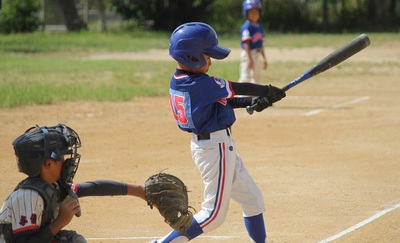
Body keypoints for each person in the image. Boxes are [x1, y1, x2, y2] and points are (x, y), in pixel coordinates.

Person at [153, 22, 286, 243]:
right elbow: (237, 87)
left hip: (214, 146)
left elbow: (225, 100)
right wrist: (267, 91)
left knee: (252, 199)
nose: (211, 60)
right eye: (207, 55)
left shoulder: (182, 80)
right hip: (216, 149)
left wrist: (255, 101)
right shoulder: (201, 84)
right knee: (213, 216)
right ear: (191, 57)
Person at [0, 124, 145, 243]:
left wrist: (139, 191)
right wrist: (61, 220)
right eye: (62, 157)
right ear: (48, 164)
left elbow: (93, 188)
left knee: (72, 240)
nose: (67, 162)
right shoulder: (28, 196)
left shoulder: (53, 185)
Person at [239, 0, 267, 84]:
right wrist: (250, 59)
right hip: (248, 54)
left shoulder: (259, 27)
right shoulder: (247, 27)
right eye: (251, 11)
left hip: (256, 54)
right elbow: (246, 43)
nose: (254, 13)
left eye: (256, 11)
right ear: (246, 13)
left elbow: (261, 44)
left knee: (256, 76)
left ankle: (255, 96)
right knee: (246, 76)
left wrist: (264, 58)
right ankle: (241, 95)